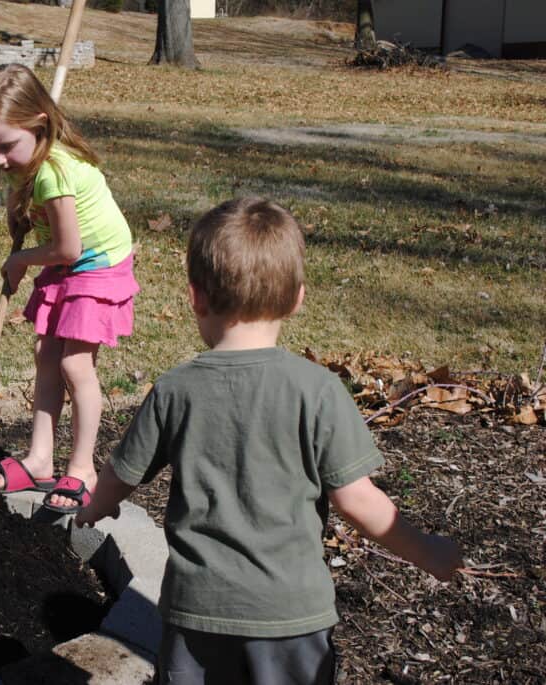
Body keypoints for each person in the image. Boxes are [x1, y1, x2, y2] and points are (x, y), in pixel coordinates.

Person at [75, 197, 463, 684]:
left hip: (197, 613)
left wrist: (94, 508)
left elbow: (121, 474)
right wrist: (425, 550)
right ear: (298, 298)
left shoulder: (176, 388)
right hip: (290, 617)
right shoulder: (318, 390)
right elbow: (357, 500)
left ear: (195, 297)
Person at [0, 63, 138, 514]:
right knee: (46, 355)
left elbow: (68, 248)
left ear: (37, 124)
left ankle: (84, 468)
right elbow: (33, 202)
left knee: (75, 363)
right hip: (71, 261)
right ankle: (39, 459)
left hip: (97, 264)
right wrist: (20, 211)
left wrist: (20, 259)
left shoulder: (52, 170)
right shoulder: (27, 159)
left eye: (5, 147)